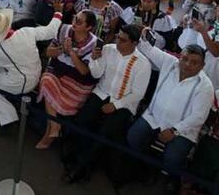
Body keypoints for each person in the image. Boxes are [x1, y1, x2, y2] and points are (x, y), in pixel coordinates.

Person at [62, 24, 152, 185]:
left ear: (134, 43)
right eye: (118, 37)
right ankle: (77, 156)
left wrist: (116, 105)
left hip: (124, 102)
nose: (118, 42)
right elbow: (96, 73)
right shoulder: (109, 49)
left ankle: (81, 167)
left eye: (123, 40)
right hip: (102, 92)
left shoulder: (143, 64)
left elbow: (138, 94)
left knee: (105, 133)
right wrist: (95, 60)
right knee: (83, 120)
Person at [127, 43, 214, 192]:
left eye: (194, 62)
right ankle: (147, 166)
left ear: (202, 65)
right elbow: (148, 48)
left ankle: (167, 177)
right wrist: (144, 31)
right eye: (184, 59)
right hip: (153, 117)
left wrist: (174, 130)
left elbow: (198, 117)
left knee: (173, 158)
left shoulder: (205, 86)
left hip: (183, 130)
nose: (187, 65)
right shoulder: (169, 63)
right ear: (179, 57)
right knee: (133, 137)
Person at [0, 4, 65, 133]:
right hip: (37, 73)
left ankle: (9, 119)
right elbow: (50, 31)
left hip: (21, 82)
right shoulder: (26, 32)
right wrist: (58, 13)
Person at [36, 9, 99, 149]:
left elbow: (84, 71)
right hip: (59, 74)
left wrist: (71, 52)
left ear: (89, 27)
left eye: (80, 21)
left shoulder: (94, 44)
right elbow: (48, 52)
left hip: (78, 83)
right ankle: (55, 127)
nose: (75, 22)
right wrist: (61, 49)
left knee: (48, 89)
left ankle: (50, 133)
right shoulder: (64, 29)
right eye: (75, 18)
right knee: (46, 80)